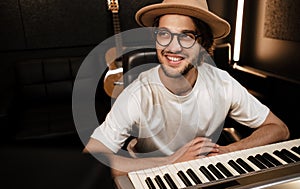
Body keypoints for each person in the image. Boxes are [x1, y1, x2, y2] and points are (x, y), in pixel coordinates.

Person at [83, 0, 289, 177]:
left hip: (201, 172)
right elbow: (92, 159)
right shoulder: (138, 93)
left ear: (203, 43)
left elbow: (279, 128)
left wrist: (230, 151)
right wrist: (171, 161)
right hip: (149, 175)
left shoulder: (223, 83)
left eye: (186, 36)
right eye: (164, 34)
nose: (173, 47)